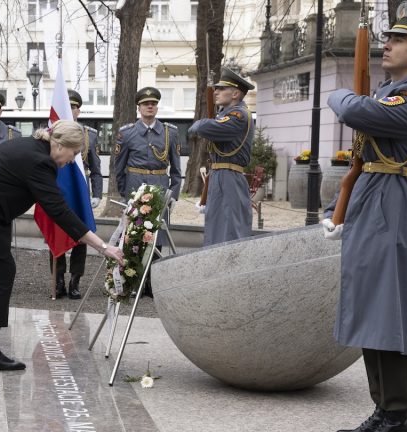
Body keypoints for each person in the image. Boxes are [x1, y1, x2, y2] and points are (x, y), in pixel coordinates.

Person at [322, 1, 407, 432]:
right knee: (374, 306)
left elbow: (354, 112)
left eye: (398, 40)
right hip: (376, 198)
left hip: (397, 201)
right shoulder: (391, 92)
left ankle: (397, 420)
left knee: (391, 306)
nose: (387, 44)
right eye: (388, 37)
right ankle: (382, 410)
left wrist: (342, 97)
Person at [0, 121, 124, 371]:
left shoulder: (30, 146)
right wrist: (103, 246)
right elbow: (58, 210)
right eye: (74, 153)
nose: (72, 159)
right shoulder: (41, 162)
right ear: (59, 144)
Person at [113, 86, 183, 296]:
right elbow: (119, 168)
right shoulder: (127, 133)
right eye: (145, 104)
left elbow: (177, 168)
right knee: (135, 235)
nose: (150, 106)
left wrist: (173, 195)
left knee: (157, 237)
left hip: (160, 187)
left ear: (157, 106)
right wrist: (127, 194)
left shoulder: (170, 132)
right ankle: (135, 282)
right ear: (139, 107)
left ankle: (153, 283)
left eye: (153, 103)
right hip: (136, 187)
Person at [189, 68, 255, 246]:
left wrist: (202, 122)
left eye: (221, 89)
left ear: (235, 93)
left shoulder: (238, 115)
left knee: (230, 230)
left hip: (229, 177)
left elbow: (200, 128)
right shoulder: (225, 114)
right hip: (220, 175)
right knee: (215, 227)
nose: (215, 92)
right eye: (216, 88)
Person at [49, 89, 104, 299]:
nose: (69, 109)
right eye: (67, 105)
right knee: (57, 234)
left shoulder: (89, 135)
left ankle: (75, 280)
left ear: (78, 110)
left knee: (82, 236)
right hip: (57, 192)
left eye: (73, 106)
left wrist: (97, 193)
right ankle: (59, 279)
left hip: (80, 193)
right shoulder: (52, 132)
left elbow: (97, 169)